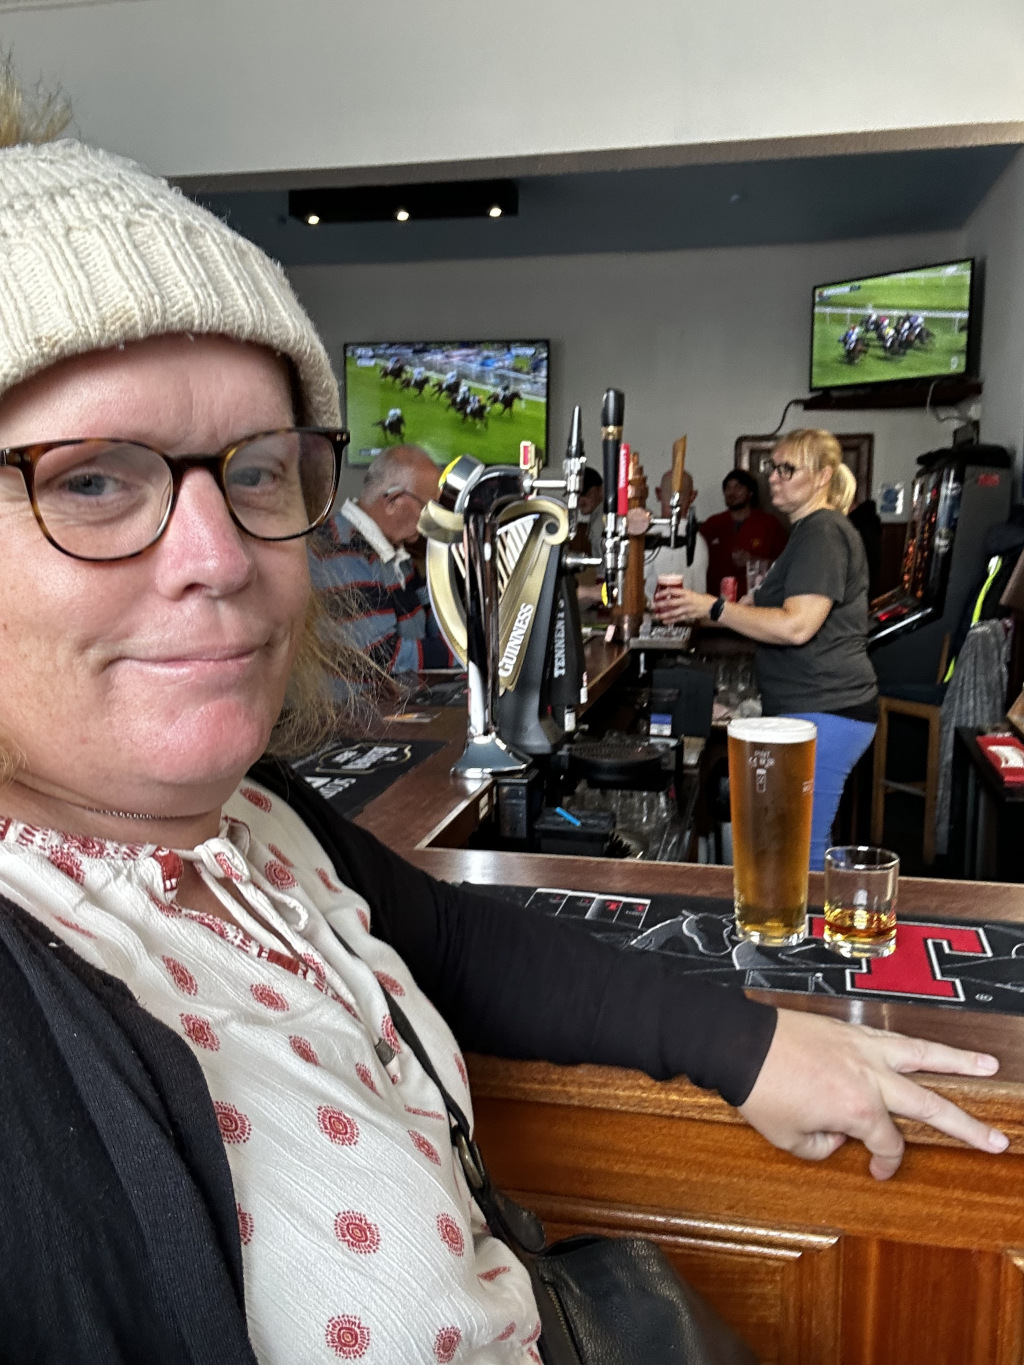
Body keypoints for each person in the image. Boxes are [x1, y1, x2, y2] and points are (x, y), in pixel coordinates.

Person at [0, 136, 1007, 1364]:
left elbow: (462, 943)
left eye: (257, 472)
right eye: (91, 482)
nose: (221, 558)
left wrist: (751, 1044)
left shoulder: (256, 824)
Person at [654, 429, 880, 871]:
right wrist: (697, 610)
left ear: (823, 476)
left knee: (800, 844)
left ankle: (821, 916)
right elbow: (762, 613)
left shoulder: (823, 531)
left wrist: (713, 607)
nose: (773, 478)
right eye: (773, 468)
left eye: (787, 469)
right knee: (798, 838)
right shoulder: (807, 531)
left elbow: (797, 626)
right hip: (813, 705)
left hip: (827, 707)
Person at [309, 444, 455, 678]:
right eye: (427, 508)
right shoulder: (340, 551)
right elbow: (385, 657)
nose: (432, 520)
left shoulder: (397, 551)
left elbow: (433, 618)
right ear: (393, 501)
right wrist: (465, 653)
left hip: (410, 695)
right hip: (364, 701)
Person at [701, 468, 788, 597]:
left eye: (738, 487)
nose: (732, 493)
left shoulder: (769, 524)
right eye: (728, 488)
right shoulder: (712, 524)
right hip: (714, 600)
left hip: (755, 600)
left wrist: (755, 561)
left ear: (750, 492)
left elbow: (785, 564)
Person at [643, 469, 708, 599]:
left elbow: (633, 586)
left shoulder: (648, 538)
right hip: (692, 610)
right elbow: (700, 591)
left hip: (653, 610)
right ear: (693, 496)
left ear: (658, 493)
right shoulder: (699, 541)